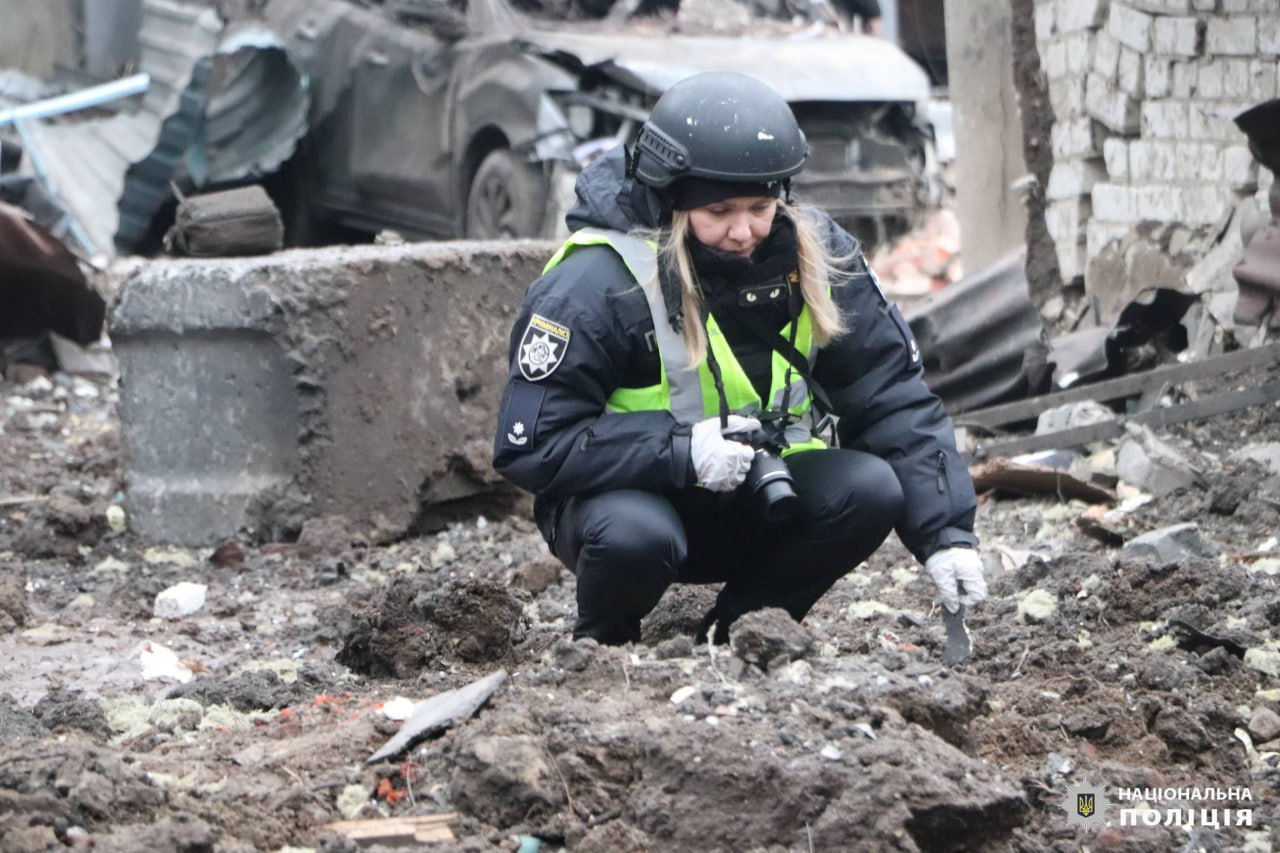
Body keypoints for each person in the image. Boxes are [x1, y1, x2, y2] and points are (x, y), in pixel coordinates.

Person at [492, 71, 985, 646]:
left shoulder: (818, 256)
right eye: (719, 210)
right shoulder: (595, 283)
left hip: (757, 499)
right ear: (671, 198)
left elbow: (890, 395)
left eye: (760, 206)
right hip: (627, 508)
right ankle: (603, 648)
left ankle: (742, 634)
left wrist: (946, 533)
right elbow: (530, 444)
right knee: (635, 535)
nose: (743, 231)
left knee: (870, 489)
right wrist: (681, 452)